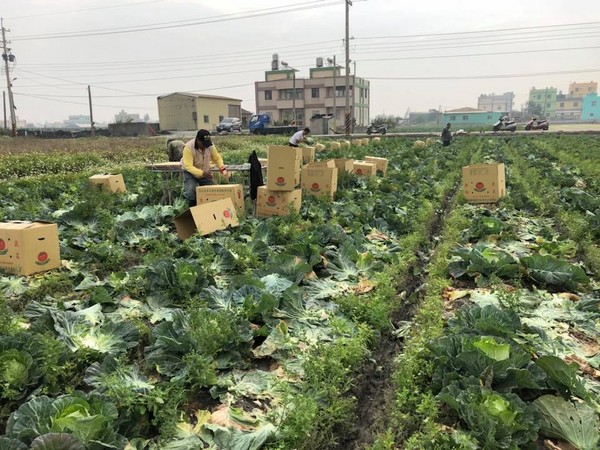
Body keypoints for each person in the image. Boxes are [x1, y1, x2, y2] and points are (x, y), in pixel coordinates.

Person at [181, 129, 227, 207]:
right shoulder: (188, 147)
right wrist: (202, 173)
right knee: (191, 189)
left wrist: (222, 167)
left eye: (207, 144)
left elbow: (217, 158)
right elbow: (188, 166)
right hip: (190, 172)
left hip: (205, 171)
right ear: (198, 140)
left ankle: (209, 209)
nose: (206, 146)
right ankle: (192, 208)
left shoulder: (210, 146)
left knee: (211, 190)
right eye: (204, 144)